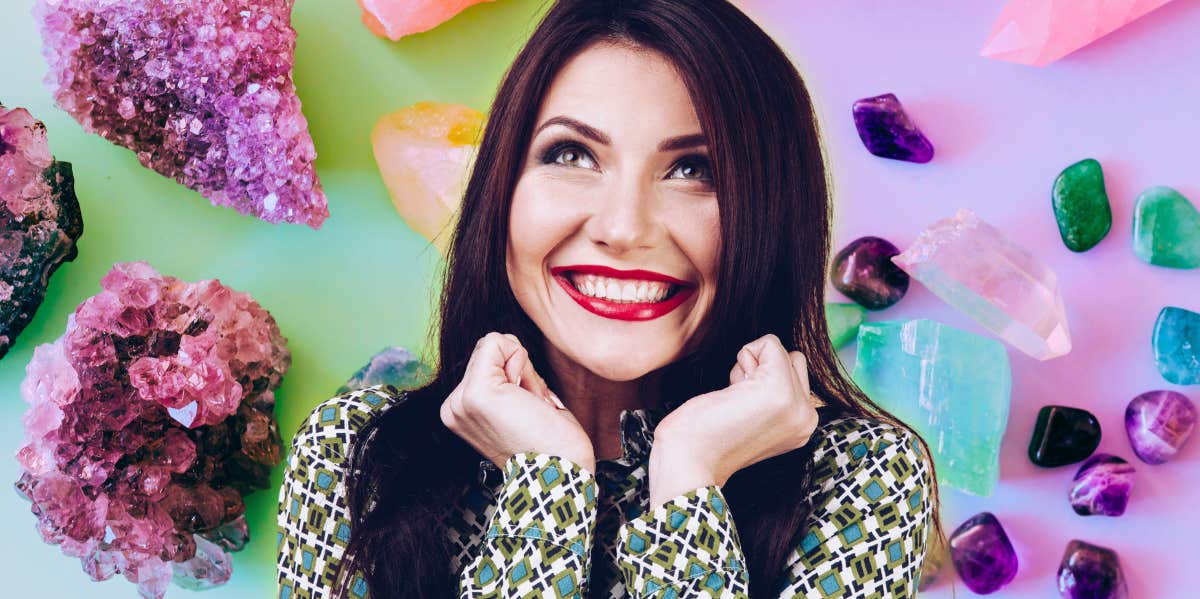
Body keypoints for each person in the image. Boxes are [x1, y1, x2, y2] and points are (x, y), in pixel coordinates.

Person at [277, 0, 940, 597]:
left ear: (773, 211)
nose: (623, 227)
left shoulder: (860, 479)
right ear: (502, 189)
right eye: (572, 154)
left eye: (693, 169)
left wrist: (688, 478)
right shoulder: (356, 454)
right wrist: (547, 486)